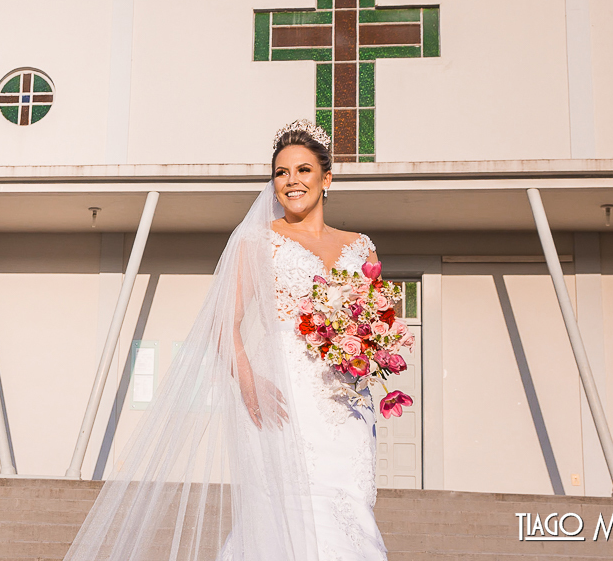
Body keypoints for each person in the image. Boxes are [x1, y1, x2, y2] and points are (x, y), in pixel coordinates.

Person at [63, 119, 388, 561]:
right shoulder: (257, 242)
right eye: (281, 173)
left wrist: (372, 349)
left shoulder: (361, 246)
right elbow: (224, 323)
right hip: (285, 401)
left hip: (347, 403)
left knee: (348, 506)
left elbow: (378, 321)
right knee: (284, 513)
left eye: (304, 170)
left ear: (327, 178)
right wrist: (249, 384)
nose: (291, 182)